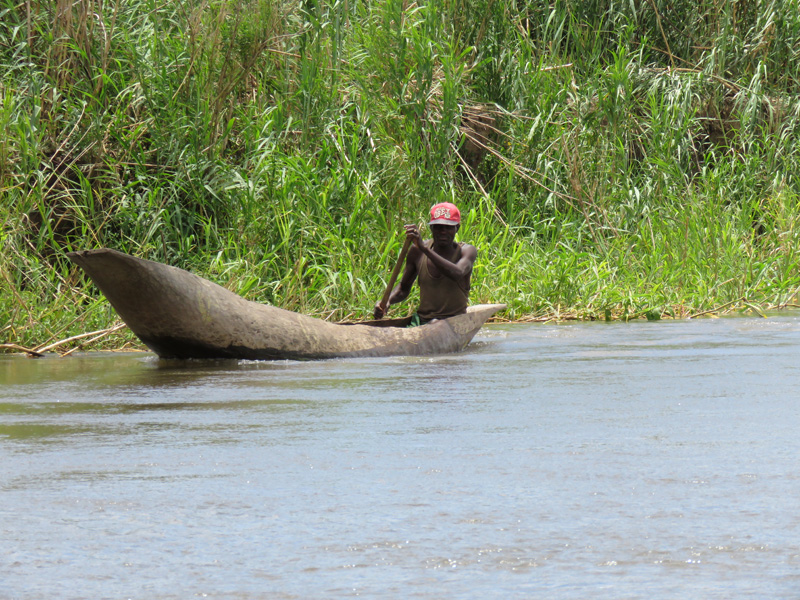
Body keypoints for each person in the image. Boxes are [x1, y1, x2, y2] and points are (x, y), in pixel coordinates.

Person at [374, 202, 477, 324]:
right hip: (424, 321)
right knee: (431, 323)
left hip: (454, 321)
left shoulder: (466, 251)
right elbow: (403, 288)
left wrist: (425, 249)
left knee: (434, 323)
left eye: (448, 227)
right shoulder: (417, 250)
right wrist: (386, 302)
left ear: (457, 228)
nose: (443, 231)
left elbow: (457, 273)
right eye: (438, 227)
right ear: (431, 228)